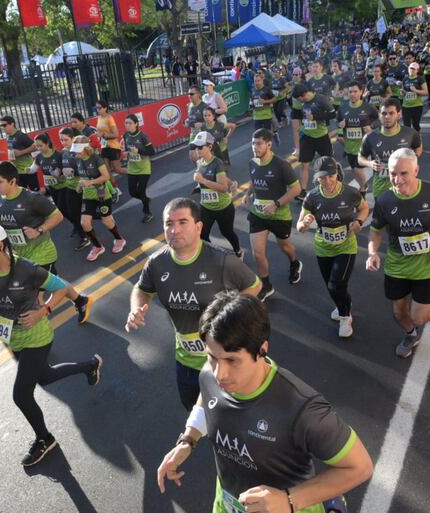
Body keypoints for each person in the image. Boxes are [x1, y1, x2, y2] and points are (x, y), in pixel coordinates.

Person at [156, 291, 374, 511]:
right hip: (229, 503)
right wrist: (188, 440)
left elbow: (360, 467)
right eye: (212, 357)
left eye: (232, 360)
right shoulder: (208, 375)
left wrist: (289, 500)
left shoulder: (302, 408)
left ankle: (329, 501)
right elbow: (206, 397)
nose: (220, 374)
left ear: (262, 349)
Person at [0, 221, 102, 466]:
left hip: (37, 335)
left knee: (21, 395)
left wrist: (44, 310)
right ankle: (89, 365)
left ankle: (45, 439)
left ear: (0, 245)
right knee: (45, 377)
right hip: (11, 337)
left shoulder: (26, 269)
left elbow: (63, 287)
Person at [125, 198, 261, 411]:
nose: (174, 230)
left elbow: (254, 285)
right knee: (193, 408)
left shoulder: (221, 260)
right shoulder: (156, 263)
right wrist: (136, 309)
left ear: (198, 227)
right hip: (187, 361)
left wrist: (234, 318)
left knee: (232, 414)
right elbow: (142, 289)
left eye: (182, 222)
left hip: (224, 361)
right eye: (169, 224)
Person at [366, 148, 430, 358]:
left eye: (404, 173)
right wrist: (372, 252)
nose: (397, 179)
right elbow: (375, 231)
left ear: (416, 170)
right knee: (398, 313)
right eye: (393, 173)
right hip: (397, 266)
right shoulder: (384, 201)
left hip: (428, 266)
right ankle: (411, 335)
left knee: (419, 317)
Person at [0, 161, 91, 323]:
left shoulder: (32, 199)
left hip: (42, 253)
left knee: (35, 297)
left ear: (13, 181)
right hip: (20, 256)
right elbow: (1, 226)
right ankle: (81, 301)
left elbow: (57, 216)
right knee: (56, 282)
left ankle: (40, 337)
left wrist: (39, 230)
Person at [297, 157, 368, 338]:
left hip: (346, 246)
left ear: (337, 173)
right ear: (317, 177)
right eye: (322, 177)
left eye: (331, 176)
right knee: (332, 287)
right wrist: (304, 224)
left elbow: (364, 208)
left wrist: (359, 221)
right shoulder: (312, 197)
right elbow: (299, 226)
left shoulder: (350, 193)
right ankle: (344, 303)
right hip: (323, 247)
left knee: (336, 284)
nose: (327, 181)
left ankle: (345, 317)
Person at [244, 129, 303, 301]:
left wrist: (276, 204)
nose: (255, 147)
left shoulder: (281, 165)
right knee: (257, 252)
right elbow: (254, 181)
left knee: (285, 247)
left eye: (259, 143)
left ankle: (294, 263)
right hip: (258, 215)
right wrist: (247, 195)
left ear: (269, 144)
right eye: (253, 143)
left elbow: (296, 189)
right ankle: (266, 285)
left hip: (279, 215)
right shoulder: (252, 162)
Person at [71, 135, 127, 260]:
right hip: (88, 195)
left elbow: (106, 176)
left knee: (106, 221)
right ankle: (97, 246)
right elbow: (82, 178)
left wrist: (90, 183)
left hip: (102, 194)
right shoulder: (78, 160)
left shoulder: (96, 158)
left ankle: (119, 239)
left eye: (77, 149)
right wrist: (80, 185)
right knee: (84, 223)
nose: (75, 152)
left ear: (85, 148)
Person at [358, 98, 423, 199]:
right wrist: (369, 163)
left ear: (399, 114)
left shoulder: (410, 133)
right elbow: (360, 158)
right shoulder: (370, 137)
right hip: (381, 189)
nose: (387, 117)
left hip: (405, 186)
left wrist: (413, 159)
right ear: (379, 115)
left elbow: (418, 147)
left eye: (391, 113)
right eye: (384, 113)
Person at [189, 132, 242, 257]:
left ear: (210, 147)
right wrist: (232, 182)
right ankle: (210, 256)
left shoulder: (217, 163)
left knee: (227, 232)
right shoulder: (199, 162)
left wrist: (202, 181)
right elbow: (221, 179)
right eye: (196, 147)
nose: (197, 150)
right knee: (202, 234)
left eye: (200, 147)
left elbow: (223, 187)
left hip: (223, 208)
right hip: (206, 207)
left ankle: (238, 251)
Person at [292, 83, 336, 201]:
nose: (300, 101)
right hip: (307, 136)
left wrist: (315, 117)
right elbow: (302, 116)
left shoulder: (321, 99)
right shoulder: (302, 103)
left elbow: (333, 114)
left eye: (300, 99)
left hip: (321, 136)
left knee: (328, 163)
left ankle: (334, 185)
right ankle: (303, 191)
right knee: (304, 164)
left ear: (304, 94)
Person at [337, 81, 379, 192]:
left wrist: (372, 126)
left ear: (361, 92)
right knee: (354, 170)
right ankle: (363, 185)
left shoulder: (368, 107)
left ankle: (363, 189)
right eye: (350, 91)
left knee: (357, 168)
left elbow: (379, 119)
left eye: (355, 91)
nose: (352, 94)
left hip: (364, 145)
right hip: (349, 146)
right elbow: (339, 121)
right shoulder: (343, 107)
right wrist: (340, 125)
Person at [123, 114, 156, 223]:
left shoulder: (143, 136)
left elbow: (151, 152)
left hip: (144, 168)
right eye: (126, 123)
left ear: (136, 124)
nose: (127, 125)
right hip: (132, 167)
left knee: (141, 191)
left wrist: (139, 151)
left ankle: (147, 213)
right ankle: (146, 199)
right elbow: (128, 150)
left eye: (130, 123)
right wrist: (126, 153)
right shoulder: (125, 135)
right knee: (132, 192)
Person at [0, 116, 38, 191]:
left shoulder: (21, 136)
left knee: (35, 193)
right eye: (1, 126)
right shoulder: (8, 137)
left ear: (12, 124)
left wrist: (21, 152)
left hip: (28, 169)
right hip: (17, 172)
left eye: (4, 125)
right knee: (22, 195)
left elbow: (35, 146)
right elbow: (11, 152)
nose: (3, 128)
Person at [95, 100, 125, 191]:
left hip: (113, 147)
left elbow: (115, 134)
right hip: (104, 147)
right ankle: (115, 189)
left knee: (118, 170)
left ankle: (136, 172)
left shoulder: (109, 118)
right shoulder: (99, 118)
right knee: (107, 171)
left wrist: (103, 135)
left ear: (105, 108)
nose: (97, 110)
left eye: (99, 108)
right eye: (96, 108)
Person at [401, 63, 428, 132]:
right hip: (406, 106)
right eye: (410, 68)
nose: (411, 70)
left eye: (413, 69)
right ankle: (408, 141)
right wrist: (402, 93)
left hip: (416, 106)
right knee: (406, 126)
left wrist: (415, 90)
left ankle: (417, 141)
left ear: (417, 70)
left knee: (415, 125)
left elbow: (426, 92)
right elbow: (403, 93)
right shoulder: (405, 79)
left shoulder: (420, 79)